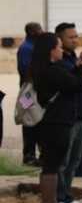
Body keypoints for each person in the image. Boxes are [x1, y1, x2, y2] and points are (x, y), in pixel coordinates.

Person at [27, 32, 82, 203]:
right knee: (53, 166)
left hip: (48, 124)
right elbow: (75, 85)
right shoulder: (52, 71)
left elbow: (68, 83)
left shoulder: (40, 70)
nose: (61, 51)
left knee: (53, 164)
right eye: (58, 47)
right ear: (50, 50)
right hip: (56, 124)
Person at [53, 23, 82, 203]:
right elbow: (71, 84)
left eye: (77, 36)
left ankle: (67, 196)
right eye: (71, 37)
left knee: (74, 161)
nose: (75, 40)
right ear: (59, 39)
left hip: (81, 115)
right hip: (66, 118)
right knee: (62, 160)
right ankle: (58, 197)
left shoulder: (74, 59)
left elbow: (81, 85)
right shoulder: (60, 62)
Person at [17, 21, 44, 165]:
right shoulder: (26, 48)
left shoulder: (36, 46)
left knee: (39, 120)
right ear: (31, 32)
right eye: (38, 28)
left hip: (37, 91)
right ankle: (28, 155)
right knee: (28, 121)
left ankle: (39, 154)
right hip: (27, 92)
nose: (42, 30)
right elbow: (26, 70)